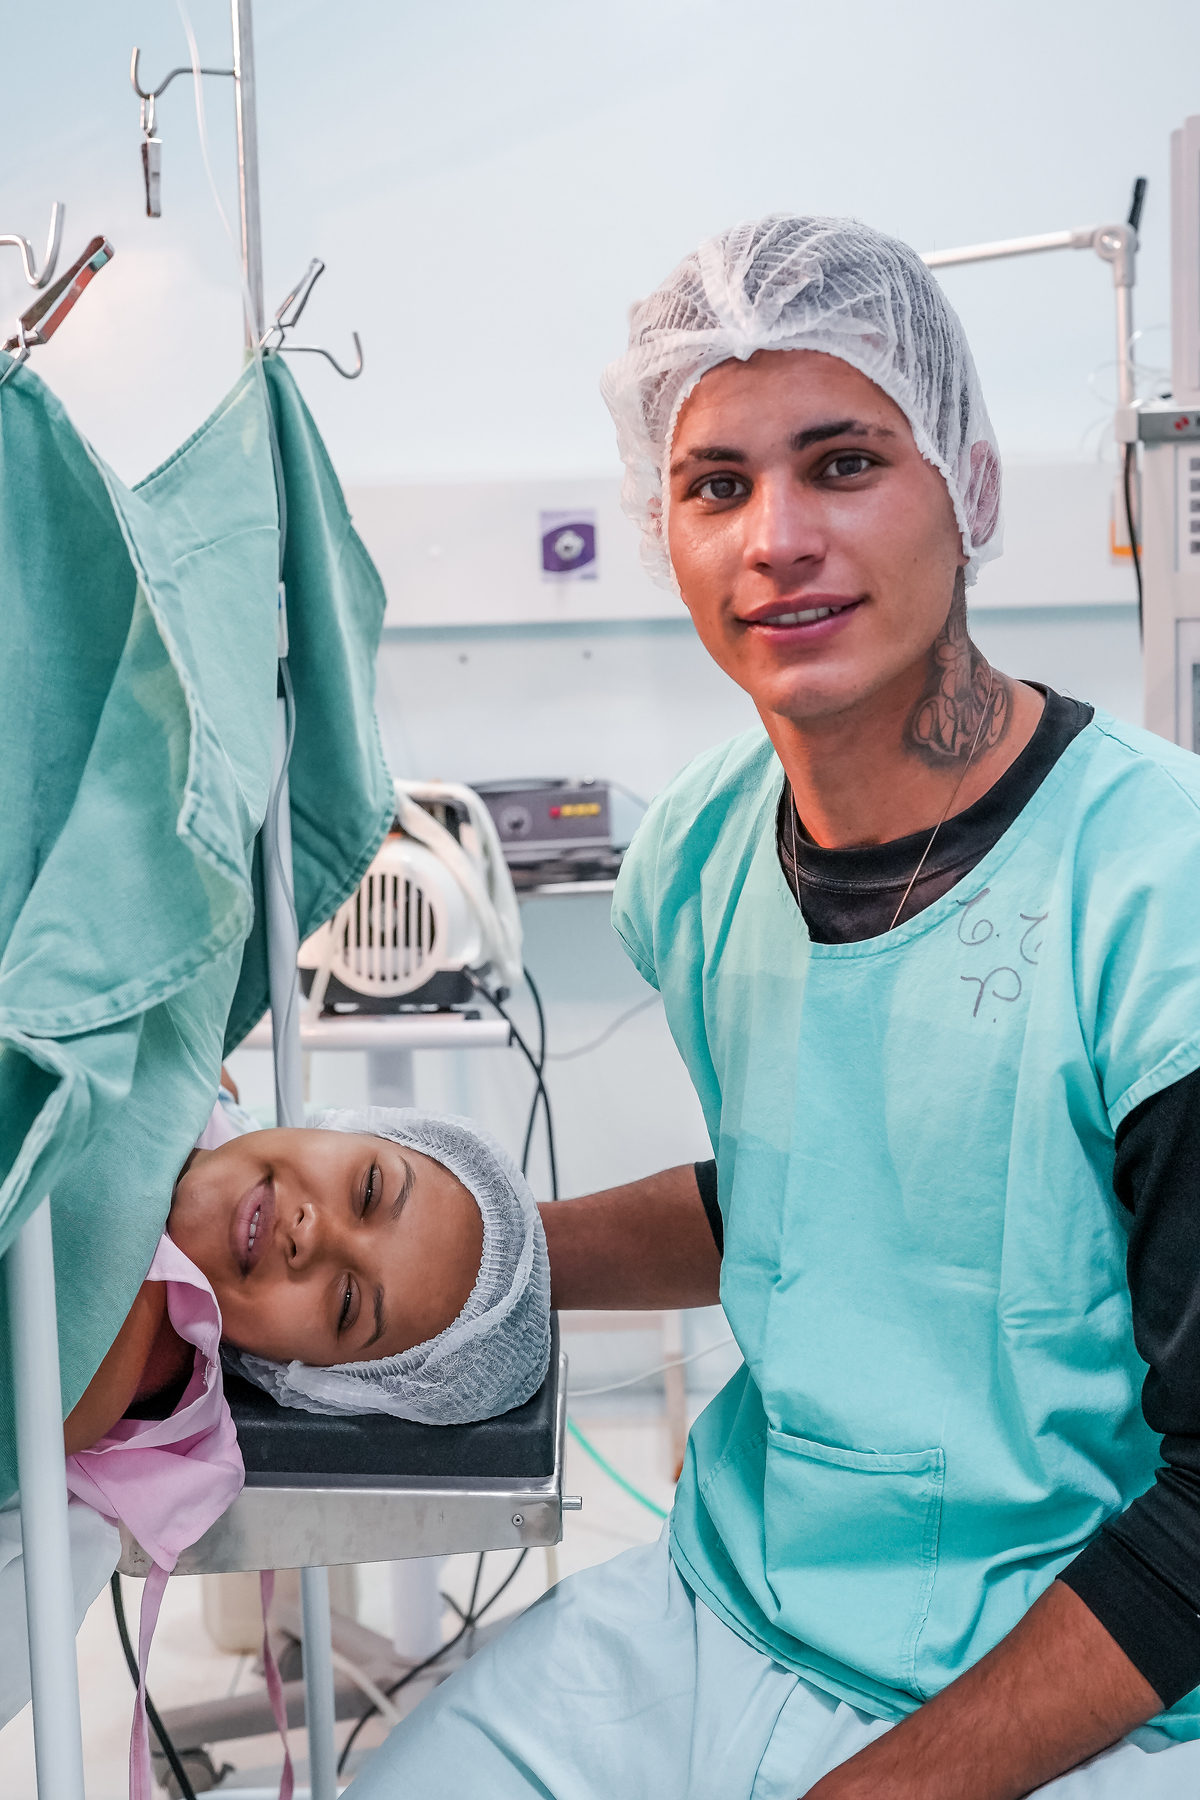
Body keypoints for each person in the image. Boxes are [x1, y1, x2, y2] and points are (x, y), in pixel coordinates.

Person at [345, 216, 1200, 1798]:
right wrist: (474, 1263)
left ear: (974, 486)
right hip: (731, 1606)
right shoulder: (701, 853)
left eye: (844, 463)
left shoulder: (1160, 893)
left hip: (1089, 1682)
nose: (777, 539)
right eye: (717, 486)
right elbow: (816, 1209)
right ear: (659, 528)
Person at [63, 1088, 551, 1453]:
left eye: (346, 1303)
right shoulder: (205, 1083)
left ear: (302, 1375)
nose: (312, 1233)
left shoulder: (91, 1371)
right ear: (346, 1128)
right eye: (369, 1190)